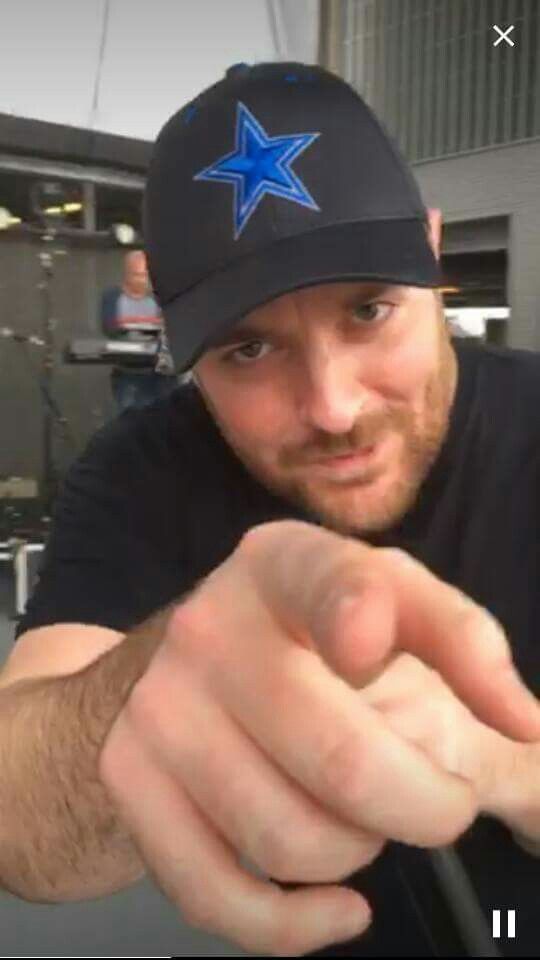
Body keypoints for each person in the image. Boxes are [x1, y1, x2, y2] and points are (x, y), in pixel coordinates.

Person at [1, 62, 540, 957]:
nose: (332, 407)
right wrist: (151, 678)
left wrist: (495, 767)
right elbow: (19, 826)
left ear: (432, 254)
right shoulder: (146, 467)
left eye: (369, 310)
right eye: (248, 350)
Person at [100, 249, 177, 411]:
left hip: (159, 375)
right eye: (137, 275)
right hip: (127, 373)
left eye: (145, 274)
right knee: (129, 423)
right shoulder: (112, 298)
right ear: (127, 274)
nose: (143, 280)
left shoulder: (159, 298)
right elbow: (109, 329)